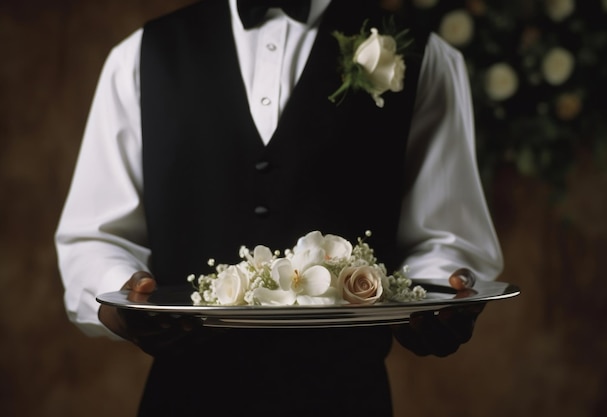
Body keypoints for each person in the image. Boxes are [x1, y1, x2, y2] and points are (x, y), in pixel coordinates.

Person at [55, 0, 504, 415]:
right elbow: (93, 236)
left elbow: (447, 238)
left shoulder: (426, 55)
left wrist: (440, 294)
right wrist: (123, 297)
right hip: (184, 397)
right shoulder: (140, 55)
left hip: (347, 397)